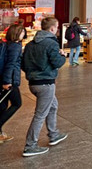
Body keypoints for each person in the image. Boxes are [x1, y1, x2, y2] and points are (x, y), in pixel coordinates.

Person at [20, 17, 68, 157]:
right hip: (46, 83)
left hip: (33, 83)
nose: (57, 30)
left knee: (53, 106)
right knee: (40, 114)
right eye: (57, 27)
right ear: (52, 28)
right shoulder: (52, 43)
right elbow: (57, 63)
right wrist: (63, 56)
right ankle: (30, 145)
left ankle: (54, 134)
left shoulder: (30, 44)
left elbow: (23, 64)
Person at [0, 23, 25, 144]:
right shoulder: (15, 46)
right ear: (17, 34)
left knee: (2, 106)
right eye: (22, 32)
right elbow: (10, 65)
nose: (24, 34)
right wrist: (7, 82)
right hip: (7, 81)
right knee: (17, 103)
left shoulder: (4, 44)